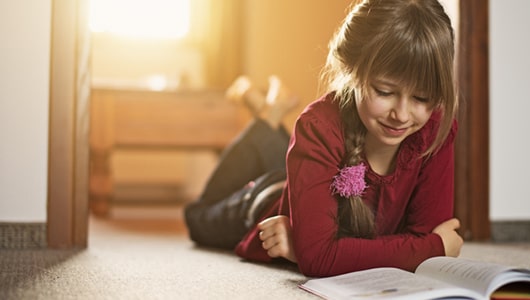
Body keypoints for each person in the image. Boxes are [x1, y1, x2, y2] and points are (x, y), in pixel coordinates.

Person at [184, 0, 463, 278]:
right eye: (385, 92)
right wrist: (431, 249)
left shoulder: (435, 129)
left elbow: (424, 236)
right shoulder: (318, 126)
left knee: (293, 161)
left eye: (421, 98)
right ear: (351, 71)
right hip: (263, 199)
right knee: (198, 220)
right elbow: (320, 259)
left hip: (307, 175)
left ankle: (270, 116)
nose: (401, 115)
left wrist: (310, 249)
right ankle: (266, 121)